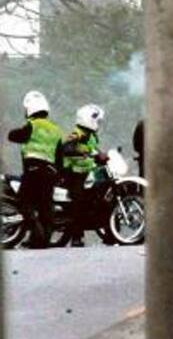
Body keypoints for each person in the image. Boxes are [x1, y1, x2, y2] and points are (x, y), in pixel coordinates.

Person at [7, 91, 63, 249]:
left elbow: (14, 136)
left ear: (30, 109)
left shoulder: (32, 125)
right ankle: (43, 241)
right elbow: (60, 156)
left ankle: (36, 232)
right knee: (46, 205)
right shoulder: (56, 130)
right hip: (50, 172)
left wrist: (11, 131)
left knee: (24, 202)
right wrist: (59, 175)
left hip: (33, 170)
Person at [62, 104, 107, 247]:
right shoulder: (78, 133)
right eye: (97, 120)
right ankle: (76, 237)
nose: (98, 124)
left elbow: (94, 151)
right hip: (73, 173)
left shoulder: (91, 136)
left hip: (86, 173)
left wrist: (103, 156)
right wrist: (82, 152)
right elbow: (67, 147)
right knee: (78, 202)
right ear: (89, 119)